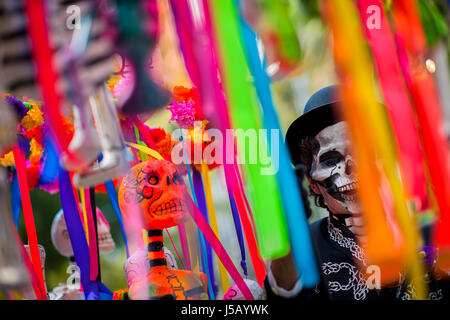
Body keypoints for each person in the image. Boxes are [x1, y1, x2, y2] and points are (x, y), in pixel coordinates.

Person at [264, 85, 449, 300]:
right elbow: (285, 289)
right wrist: (285, 234)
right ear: (313, 182)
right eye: (331, 160)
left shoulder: (431, 234)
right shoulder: (307, 250)